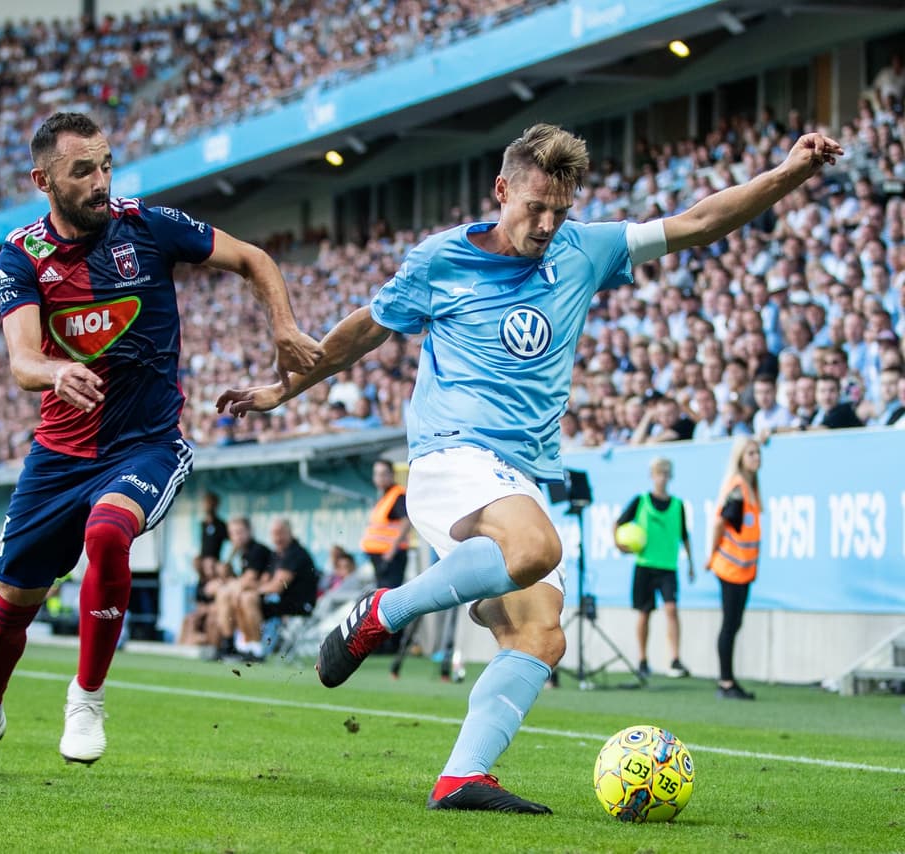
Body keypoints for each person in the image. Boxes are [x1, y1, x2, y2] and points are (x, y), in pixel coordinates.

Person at [218, 123, 842, 812]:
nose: (547, 224)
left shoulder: (587, 249)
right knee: (536, 548)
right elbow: (363, 330)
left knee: (541, 633)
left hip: (521, 473)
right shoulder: (441, 260)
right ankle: (379, 613)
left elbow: (699, 221)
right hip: (450, 456)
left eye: (560, 211)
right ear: (502, 190)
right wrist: (283, 391)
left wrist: (789, 172)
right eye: (534, 208)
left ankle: (462, 776)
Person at [0, 112, 321, 775]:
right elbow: (23, 361)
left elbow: (254, 259)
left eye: (107, 163)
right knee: (8, 607)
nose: (101, 180)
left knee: (108, 535)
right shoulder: (21, 255)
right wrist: (56, 370)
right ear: (43, 180)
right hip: (57, 458)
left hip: (147, 444)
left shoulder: (151, 227)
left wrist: (281, 327)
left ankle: (87, 697)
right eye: (83, 170)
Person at [613, 458, 694, 679]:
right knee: (644, 613)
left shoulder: (678, 505)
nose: (662, 477)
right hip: (645, 566)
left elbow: (684, 535)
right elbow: (618, 523)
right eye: (659, 473)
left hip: (668, 566)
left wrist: (691, 565)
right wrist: (619, 545)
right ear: (652, 476)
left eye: (666, 473)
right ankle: (642, 659)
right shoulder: (641, 501)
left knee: (671, 609)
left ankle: (675, 659)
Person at [707, 438, 763, 701]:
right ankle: (725, 682)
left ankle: (729, 680)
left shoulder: (751, 487)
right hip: (730, 566)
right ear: (740, 457)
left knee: (734, 622)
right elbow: (721, 523)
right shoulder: (739, 488)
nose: (756, 457)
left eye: (757, 453)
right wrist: (712, 554)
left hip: (743, 569)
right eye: (750, 453)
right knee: (730, 623)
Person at [231, 517, 319, 661]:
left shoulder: (295, 553)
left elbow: (277, 586)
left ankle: (258, 650)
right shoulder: (276, 554)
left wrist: (255, 589)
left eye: (281, 533)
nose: (277, 538)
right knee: (241, 597)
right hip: (283, 603)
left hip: (299, 605)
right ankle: (247, 647)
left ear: (289, 532)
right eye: (274, 534)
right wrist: (251, 588)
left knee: (249, 599)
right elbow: (264, 581)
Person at [209, 516, 274, 658]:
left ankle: (256, 649)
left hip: (270, 598)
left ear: (249, 531)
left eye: (240, 532)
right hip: (248, 595)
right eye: (233, 533)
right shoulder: (239, 553)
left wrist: (225, 585)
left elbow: (249, 580)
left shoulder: (257, 550)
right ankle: (228, 644)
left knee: (238, 596)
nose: (236, 537)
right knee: (223, 594)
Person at [360, 459, 411, 589]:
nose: (379, 478)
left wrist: (391, 551)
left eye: (383, 474)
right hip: (381, 555)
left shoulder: (398, 495)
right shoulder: (385, 496)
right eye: (376, 474)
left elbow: (406, 522)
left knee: (387, 594)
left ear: (392, 475)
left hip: (390, 556)